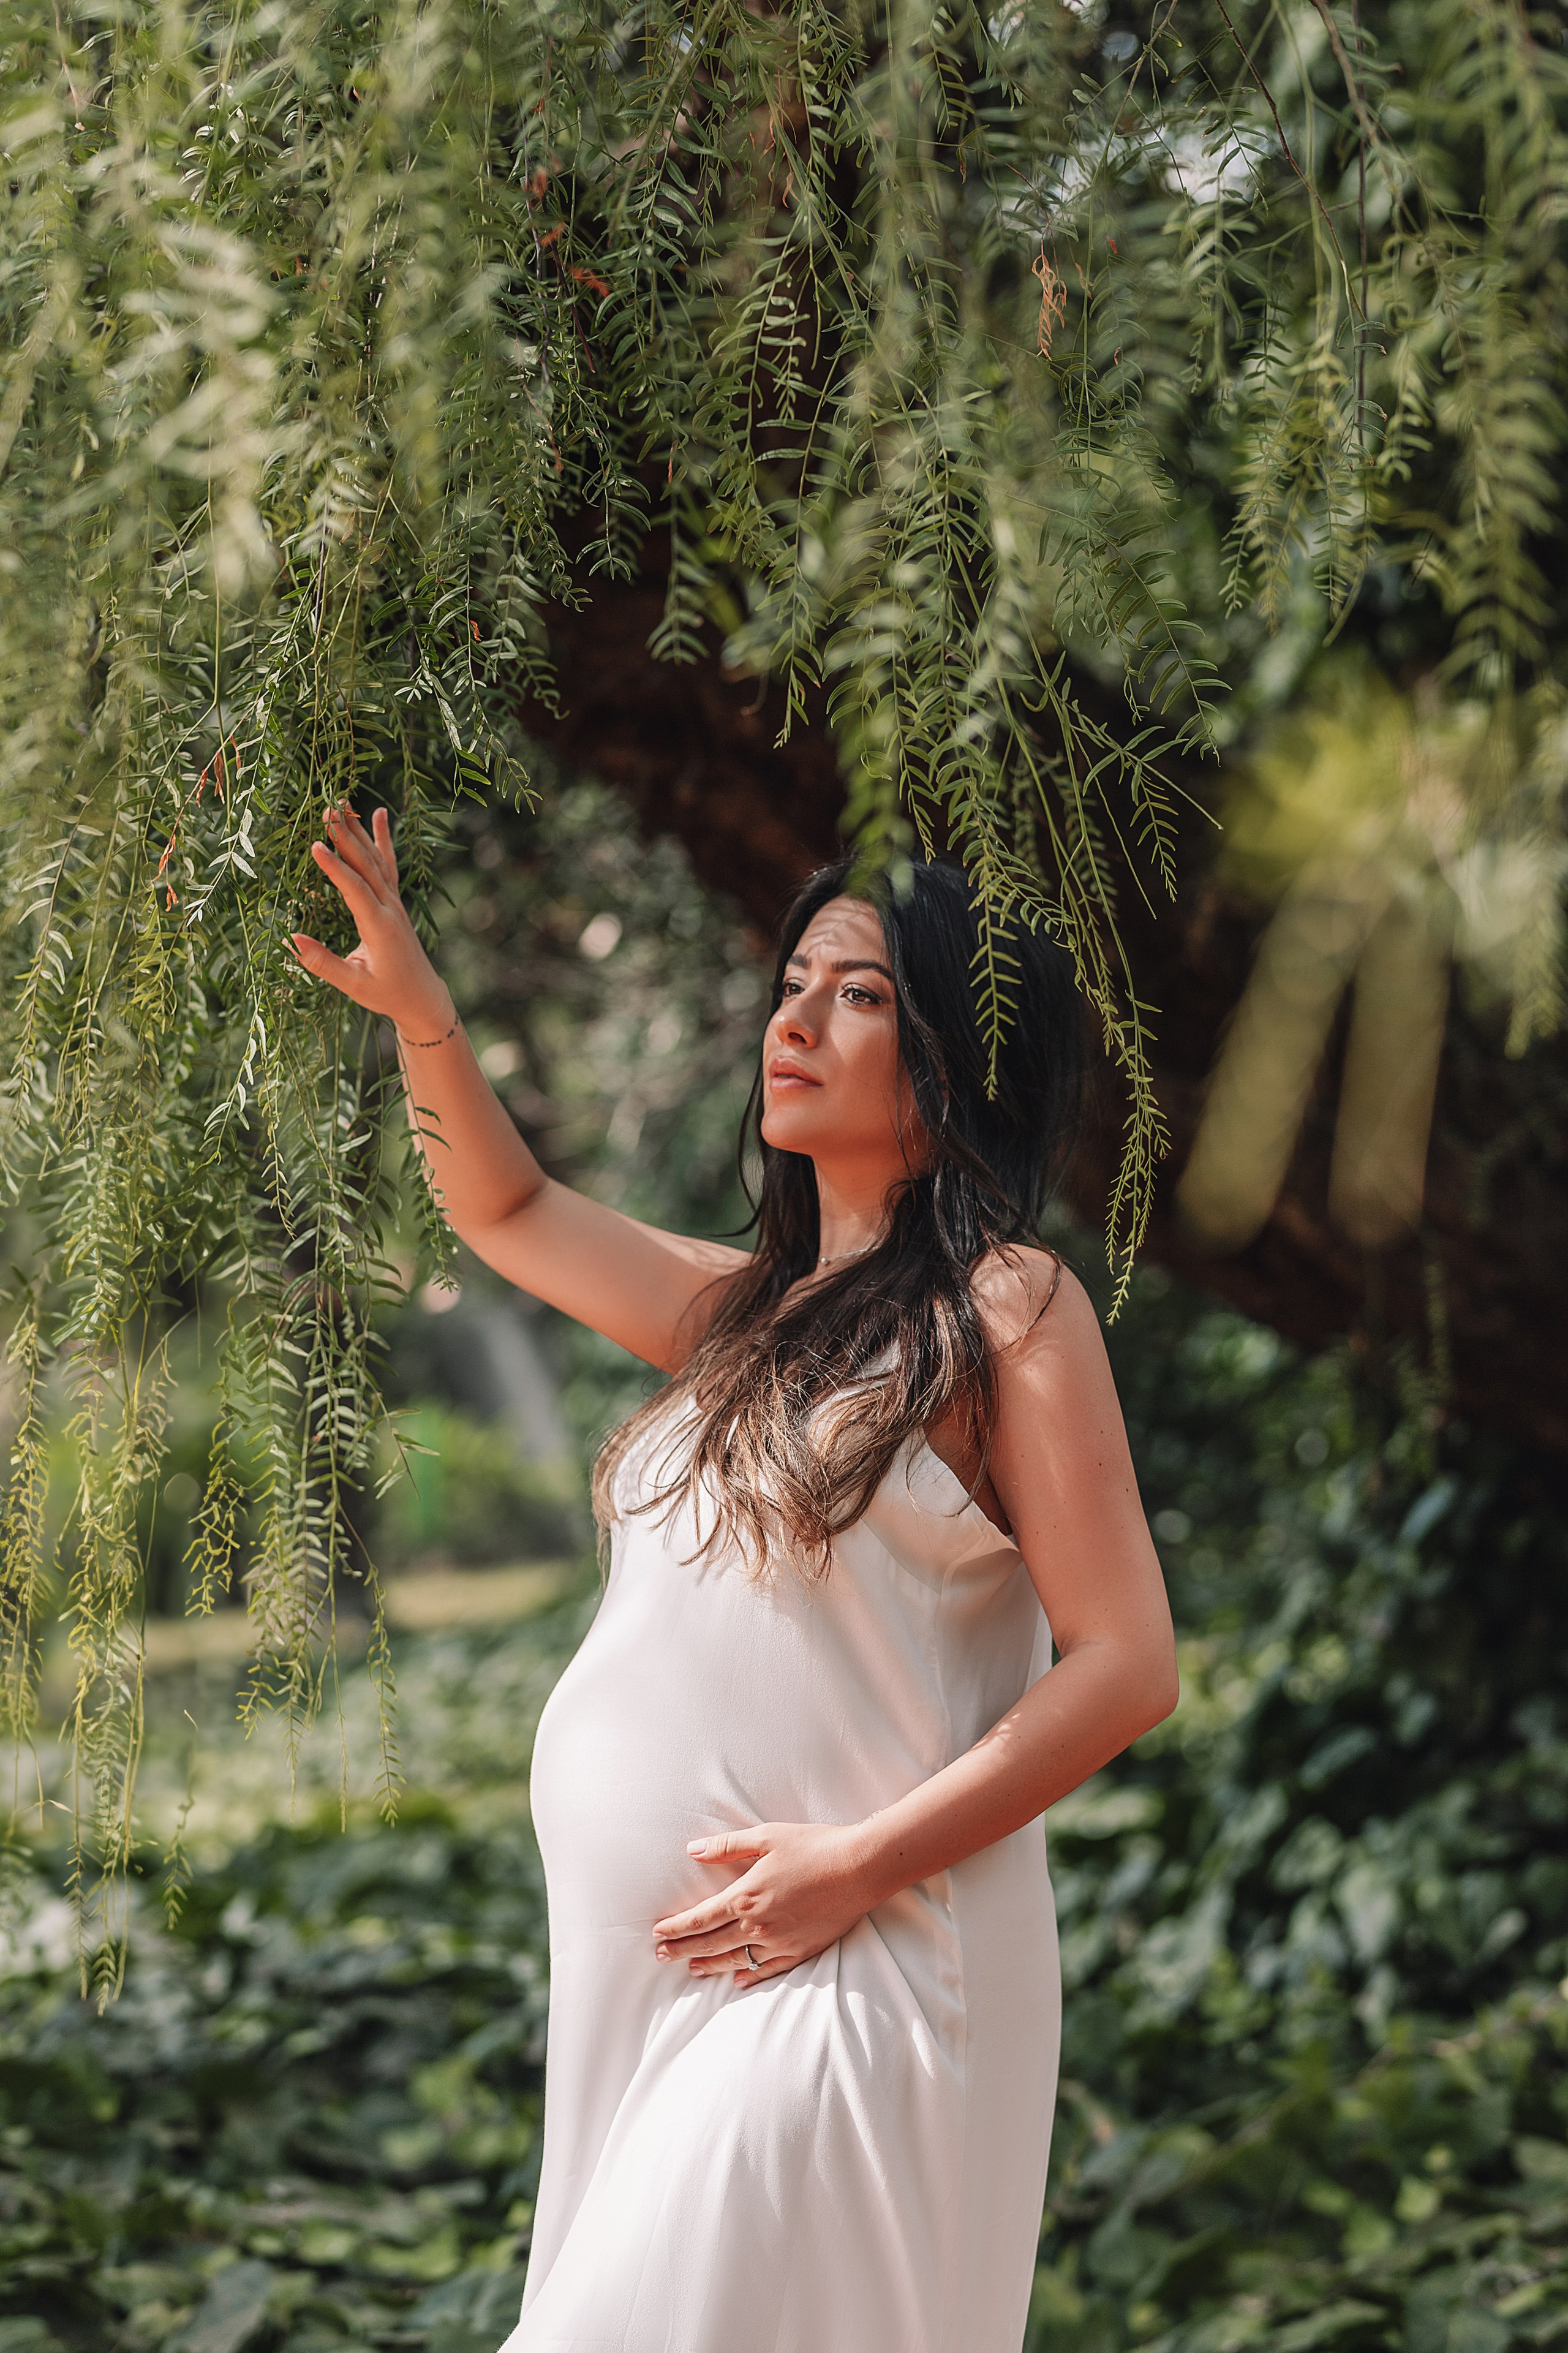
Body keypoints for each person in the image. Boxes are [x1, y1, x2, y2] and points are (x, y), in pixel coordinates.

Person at [293, 807, 1179, 2353]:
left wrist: (856, 1865)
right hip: (657, 1989)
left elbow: (1125, 1662)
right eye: (794, 977)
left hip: (862, 1953)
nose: (798, 1014)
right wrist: (427, 1019)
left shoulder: (1007, 1308)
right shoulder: (746, 1314)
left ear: (960, 1054)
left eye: (862, 991)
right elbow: (502, 1209)